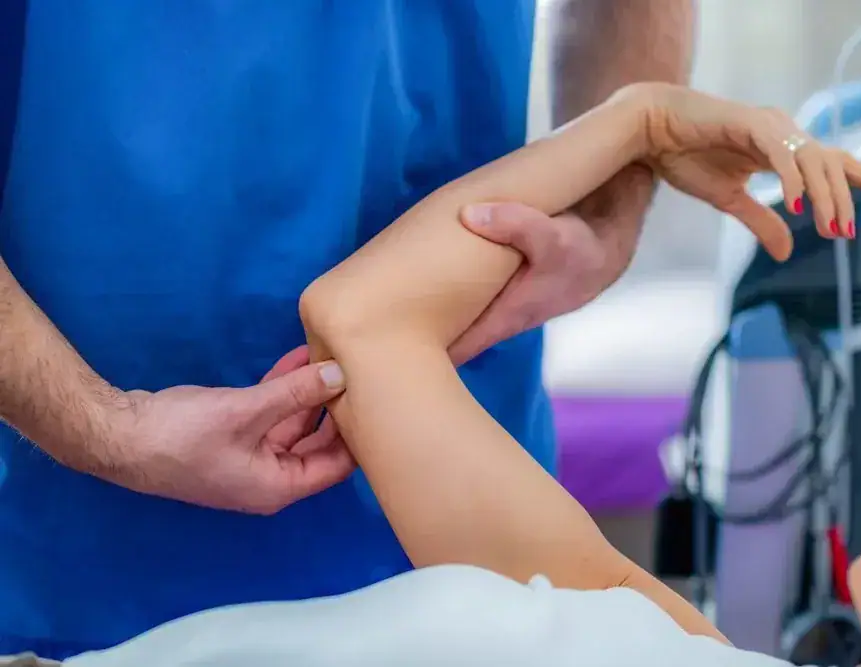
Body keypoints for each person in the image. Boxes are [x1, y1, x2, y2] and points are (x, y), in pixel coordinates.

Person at [4, 79, 861, 667]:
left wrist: (639, 124)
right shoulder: (680, 644)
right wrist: (637, 121)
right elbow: (360, 325)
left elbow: (365, 324)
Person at [0, 0, 697, 658]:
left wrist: (613, 206)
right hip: (67, 521)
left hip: (453, 494)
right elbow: (355, 318)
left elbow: (355, 319)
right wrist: (103, 426)